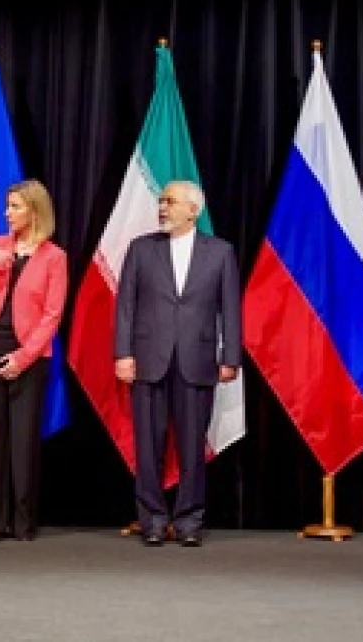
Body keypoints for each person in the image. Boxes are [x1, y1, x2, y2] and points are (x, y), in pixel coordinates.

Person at [114, 179, 240, 548]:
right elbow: (125, 307)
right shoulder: (141, 250)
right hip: (148, 360)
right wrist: (123, 353)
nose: (163, 207)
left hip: (197, 360)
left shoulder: (220, 252)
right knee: (148, 448)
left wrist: (230, 356)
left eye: (170, 201)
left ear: (193, 210)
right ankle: (152, 519)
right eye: (161, 201)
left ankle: (188, 520)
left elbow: (229, 309)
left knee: (191, 447)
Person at [0, 179, 68, 543]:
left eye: (15, 207)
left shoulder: (54, 257)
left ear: (35, 211)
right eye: (7, 206)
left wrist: (23, 358)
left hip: (29, 354)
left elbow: (52, 316)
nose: (7, 213)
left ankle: (23, 521)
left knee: (22, 440)